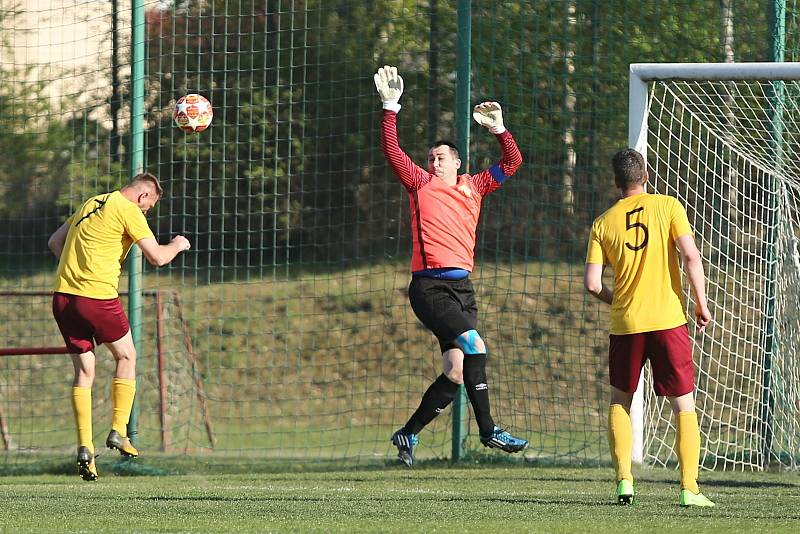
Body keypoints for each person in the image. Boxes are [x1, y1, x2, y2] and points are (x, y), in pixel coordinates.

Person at [374, 65, 528, 467]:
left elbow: (512, 163)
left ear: (456, 163)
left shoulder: (474, 186)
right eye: (430, 157)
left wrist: (499, 130)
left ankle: (407, 434)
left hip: (462, 291)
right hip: (429, 289)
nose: (432, 160)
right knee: (476, 346)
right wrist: (391, 107)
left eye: (440, 156)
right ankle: (490, 429)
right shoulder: (419, 183)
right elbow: (393, 151)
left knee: (457, 372)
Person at [584, 148, 715, 507]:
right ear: (647, 176)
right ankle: (690, 488)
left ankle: (624, 481)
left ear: (616, 183)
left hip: (626, 323)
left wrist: (620, 302)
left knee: (620, 401)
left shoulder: (602, 223)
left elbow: (593, 284)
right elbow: (690, 256)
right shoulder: (669, 206)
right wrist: (701, 304)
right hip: (668, 319)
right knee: (683, 404)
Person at [48, 173, 191, 481]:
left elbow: (54, 242)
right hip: (96, 298)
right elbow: (157, 257)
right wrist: (178, 245)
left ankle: (85, 448)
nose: (146, 213)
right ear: (143, 197)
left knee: (85, 371)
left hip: (62, 298)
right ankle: (118, 430)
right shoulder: (128, 210)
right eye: (148, 207)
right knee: (126, 356)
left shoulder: (93, 201)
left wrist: (78, 271)